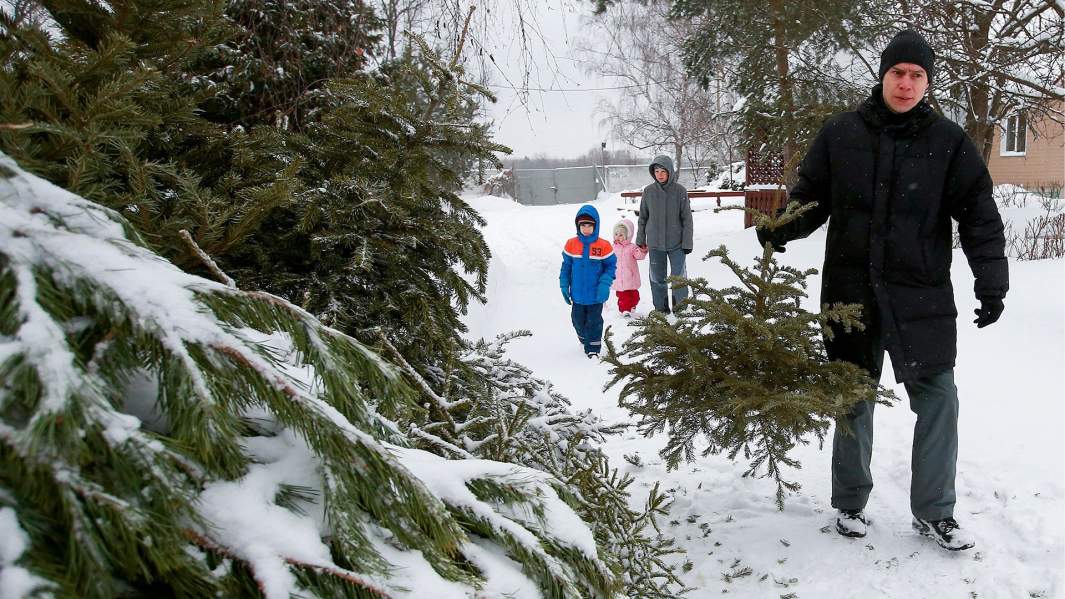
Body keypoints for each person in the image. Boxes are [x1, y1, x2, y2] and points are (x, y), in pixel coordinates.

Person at [757, 29, 1007, 551]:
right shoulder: (841, 134)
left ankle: (935, 511)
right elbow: (811, 197)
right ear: (883, 75)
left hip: (922, 294)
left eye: (918, 75)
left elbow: (980, 215)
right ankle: (850, 504)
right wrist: (782, 225)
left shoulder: (949, 142)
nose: (907, 83)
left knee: (939, 398)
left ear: (928, 82)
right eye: (899, 73)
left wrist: (992, 280)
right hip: (849, 290)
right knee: (852, 396)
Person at [635, 155, 693, 314]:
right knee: (657, 278)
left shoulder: (680, 191)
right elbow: (643, 217)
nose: (659, 174)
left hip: (677, 244)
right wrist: (640, 239)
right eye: (656, 171)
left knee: (678, 277)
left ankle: (680, 308)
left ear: (670, 172)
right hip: (655, 244)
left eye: (663, 171)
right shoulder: (648, 191)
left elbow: (687, 218)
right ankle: (661, 308)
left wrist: (687, 243)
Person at [560, 205, 617, 358]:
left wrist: (605, 284)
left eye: (589, 225)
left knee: (594, 321)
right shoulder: (571, 244)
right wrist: (564, 285)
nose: (586, 228)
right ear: (578, 226)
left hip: (595, 295)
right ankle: (584, 337)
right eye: (583, 225)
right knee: (577, 320)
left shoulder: (603, 246)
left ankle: (593, 348)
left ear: (595, 225)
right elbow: (566, 266)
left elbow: (610, 266)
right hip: (577, 294)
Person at [610, 218, 648, 317]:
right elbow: (607, 259)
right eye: (616, 234)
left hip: (630, 277)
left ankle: (632, 305)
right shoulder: (612, 247)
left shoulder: (632, 247)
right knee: (623, 297)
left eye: (621, 235)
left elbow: (639, 256)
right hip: (619, 278)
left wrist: (642, 250)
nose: (618, 237)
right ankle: (624, 310)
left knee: (635, 296)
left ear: (627, 236)